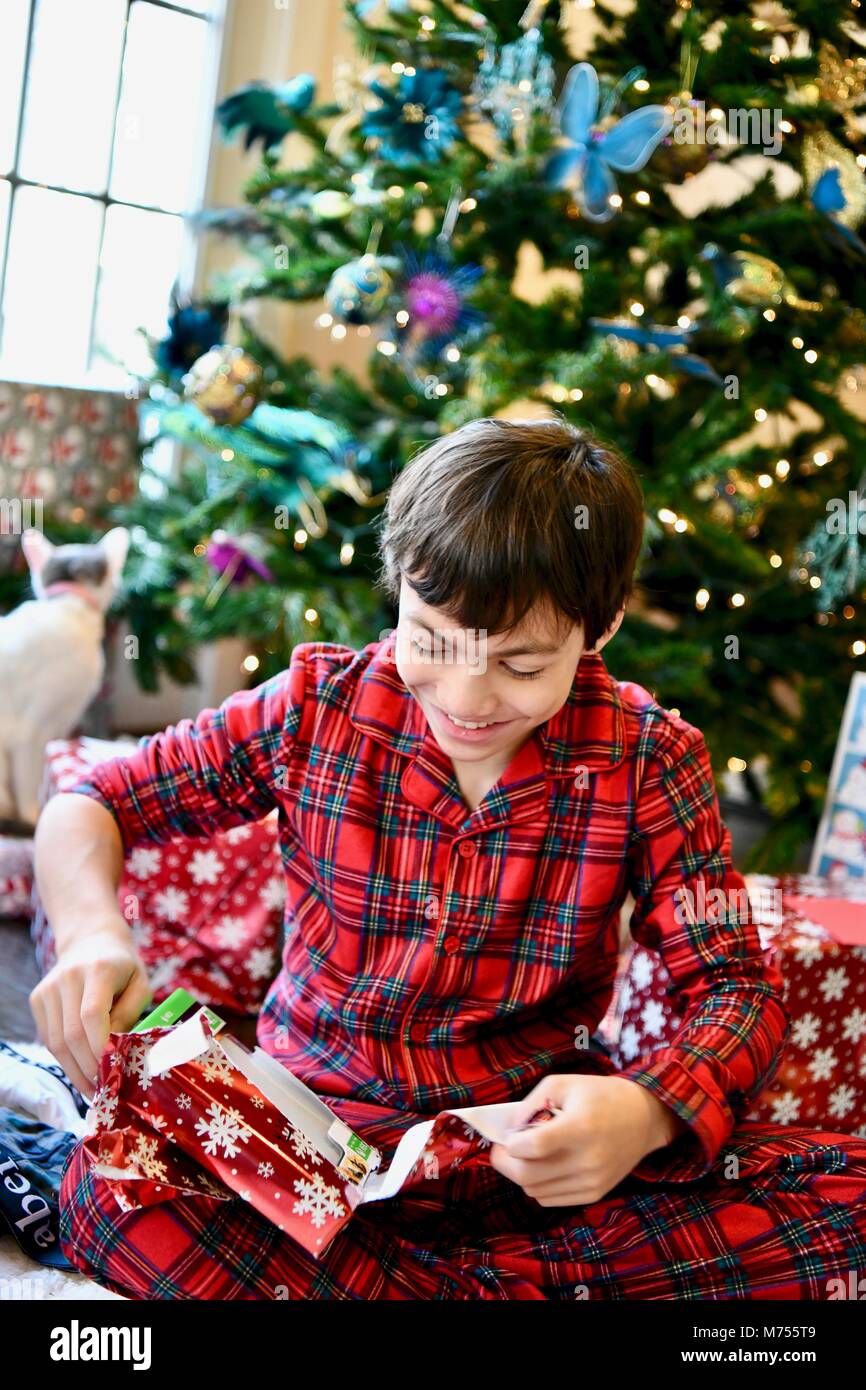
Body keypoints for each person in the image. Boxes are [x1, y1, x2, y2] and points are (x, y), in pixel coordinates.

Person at [34, 416, 866, 1300]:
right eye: (429, 640)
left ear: (603, 626)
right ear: (398, 588)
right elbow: (93, 802)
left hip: (530, 1170)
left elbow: (738, 985)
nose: (466, 698)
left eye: (521, 664)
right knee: (112, 1193)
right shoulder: (315, 708)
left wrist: (648, 1113)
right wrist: (90, 936)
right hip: (305, 1156)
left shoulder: (652, 759)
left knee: (846, 1195)